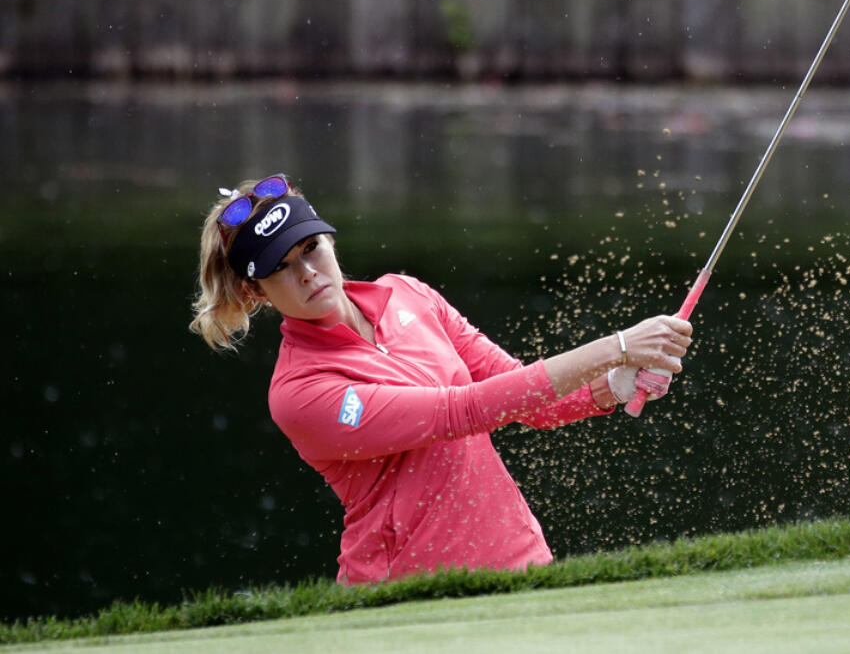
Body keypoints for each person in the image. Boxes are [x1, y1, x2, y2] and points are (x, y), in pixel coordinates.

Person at [190, 173, 692, 585]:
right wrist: (617, 346)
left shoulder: (408, 294)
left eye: (311, 248)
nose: (307, 273)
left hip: (519, 561)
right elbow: (461, 411)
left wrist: (612, 385)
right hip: (406, 594)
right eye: (281, 268)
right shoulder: (299, 392)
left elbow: (526, 398)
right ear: (254, 290)